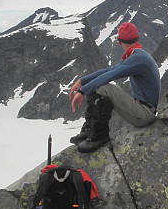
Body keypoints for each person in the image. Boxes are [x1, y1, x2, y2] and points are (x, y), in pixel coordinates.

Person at [68, 22, 161, 153]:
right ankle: (90, 129)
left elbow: (110, 74)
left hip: (144, 114)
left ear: (119, 42)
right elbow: (112, 69)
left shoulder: (138, 58)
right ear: (137, 38)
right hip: (143, 110)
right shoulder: (138, 55)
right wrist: (82, 81)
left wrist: (83, 90)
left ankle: (99, 136)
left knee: (104, 88)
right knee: (101, 86)